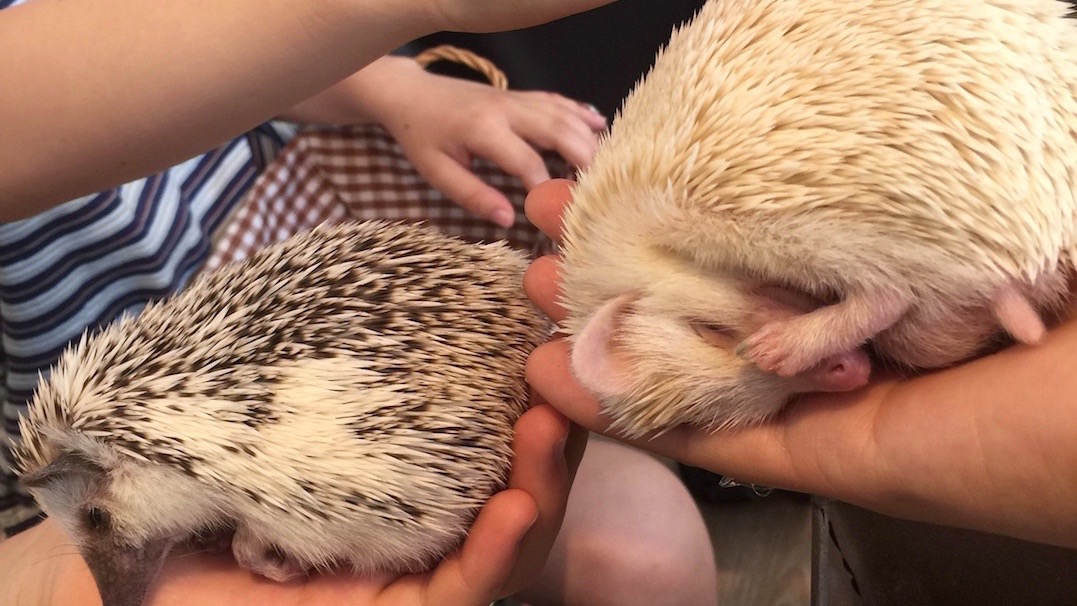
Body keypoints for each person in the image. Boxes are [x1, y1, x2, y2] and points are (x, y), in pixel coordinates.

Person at [0, 1, 719, 604]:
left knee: (648, 557)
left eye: (100, 520)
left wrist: (395, 90)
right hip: (114, 408)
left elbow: (194, 41)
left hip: (282, 254)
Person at [522, 178, 1077, 551]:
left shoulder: (716, 220)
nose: (844, 377)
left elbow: (886, 287)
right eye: (786, 396)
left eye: (715, 331)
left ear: (627, 309)